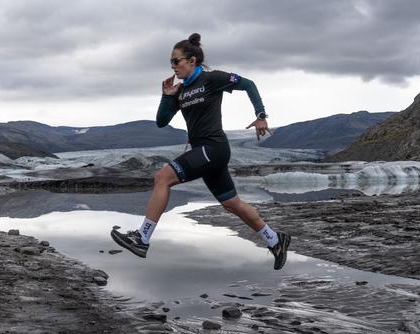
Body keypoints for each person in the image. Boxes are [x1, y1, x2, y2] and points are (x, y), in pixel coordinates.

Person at [111, 33, 291, 270]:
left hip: (213, 148)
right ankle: (275, 239)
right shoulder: (181, 92)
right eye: (171, 63)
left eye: (177, 61)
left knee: (162, 177)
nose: (173, 67)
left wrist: (260, 115)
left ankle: (142, 238)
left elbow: (248, 84)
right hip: (204, 152)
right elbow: (161, 121)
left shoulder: (212, 79)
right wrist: (166, 97)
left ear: (192, 60)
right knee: (232, 204)